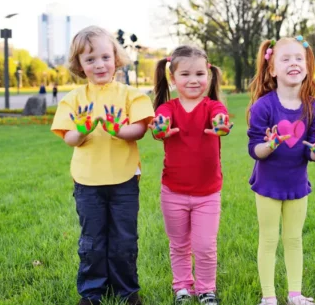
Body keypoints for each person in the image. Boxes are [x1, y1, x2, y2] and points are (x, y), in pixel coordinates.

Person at [50, 25, 154, 305]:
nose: (99, 64)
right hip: (87, 182)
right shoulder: (73, 99)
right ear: (80, 65)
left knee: (124, 239)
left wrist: (118, 130)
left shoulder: (131, 95)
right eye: (90, 59)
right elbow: (70, 138)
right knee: (92, 241)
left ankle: (127, 290)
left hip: (124, 179)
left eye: (105, 57)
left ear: (116, 58)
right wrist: (83, 130)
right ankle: (92, 292)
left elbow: (140, 129)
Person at [247, 36, 315, 305]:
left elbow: (311, 151)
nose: (293, 63)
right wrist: (270, 145)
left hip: (297, 184)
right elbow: (254, 149)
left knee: (294, 238)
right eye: (285, 59)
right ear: (272, 69)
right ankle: (269, 297)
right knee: (269, 239)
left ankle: (295, 295)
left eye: (299, 58)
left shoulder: (313, 107)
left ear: (307, 66)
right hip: (268, 185)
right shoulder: (264, 106)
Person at [149, 45, 233, 305]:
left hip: (207, 194)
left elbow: (221, 118)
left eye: (199, 73)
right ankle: (182, 288)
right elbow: (158, 124)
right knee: (179, 245)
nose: (193, 80)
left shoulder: (212, 107)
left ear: (208, 75)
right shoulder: (169, 109)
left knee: (205, 246)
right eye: (185, 74)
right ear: (173, 79)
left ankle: (207, 289)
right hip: (173, 192)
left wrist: (221, 125)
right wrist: (160, 129)